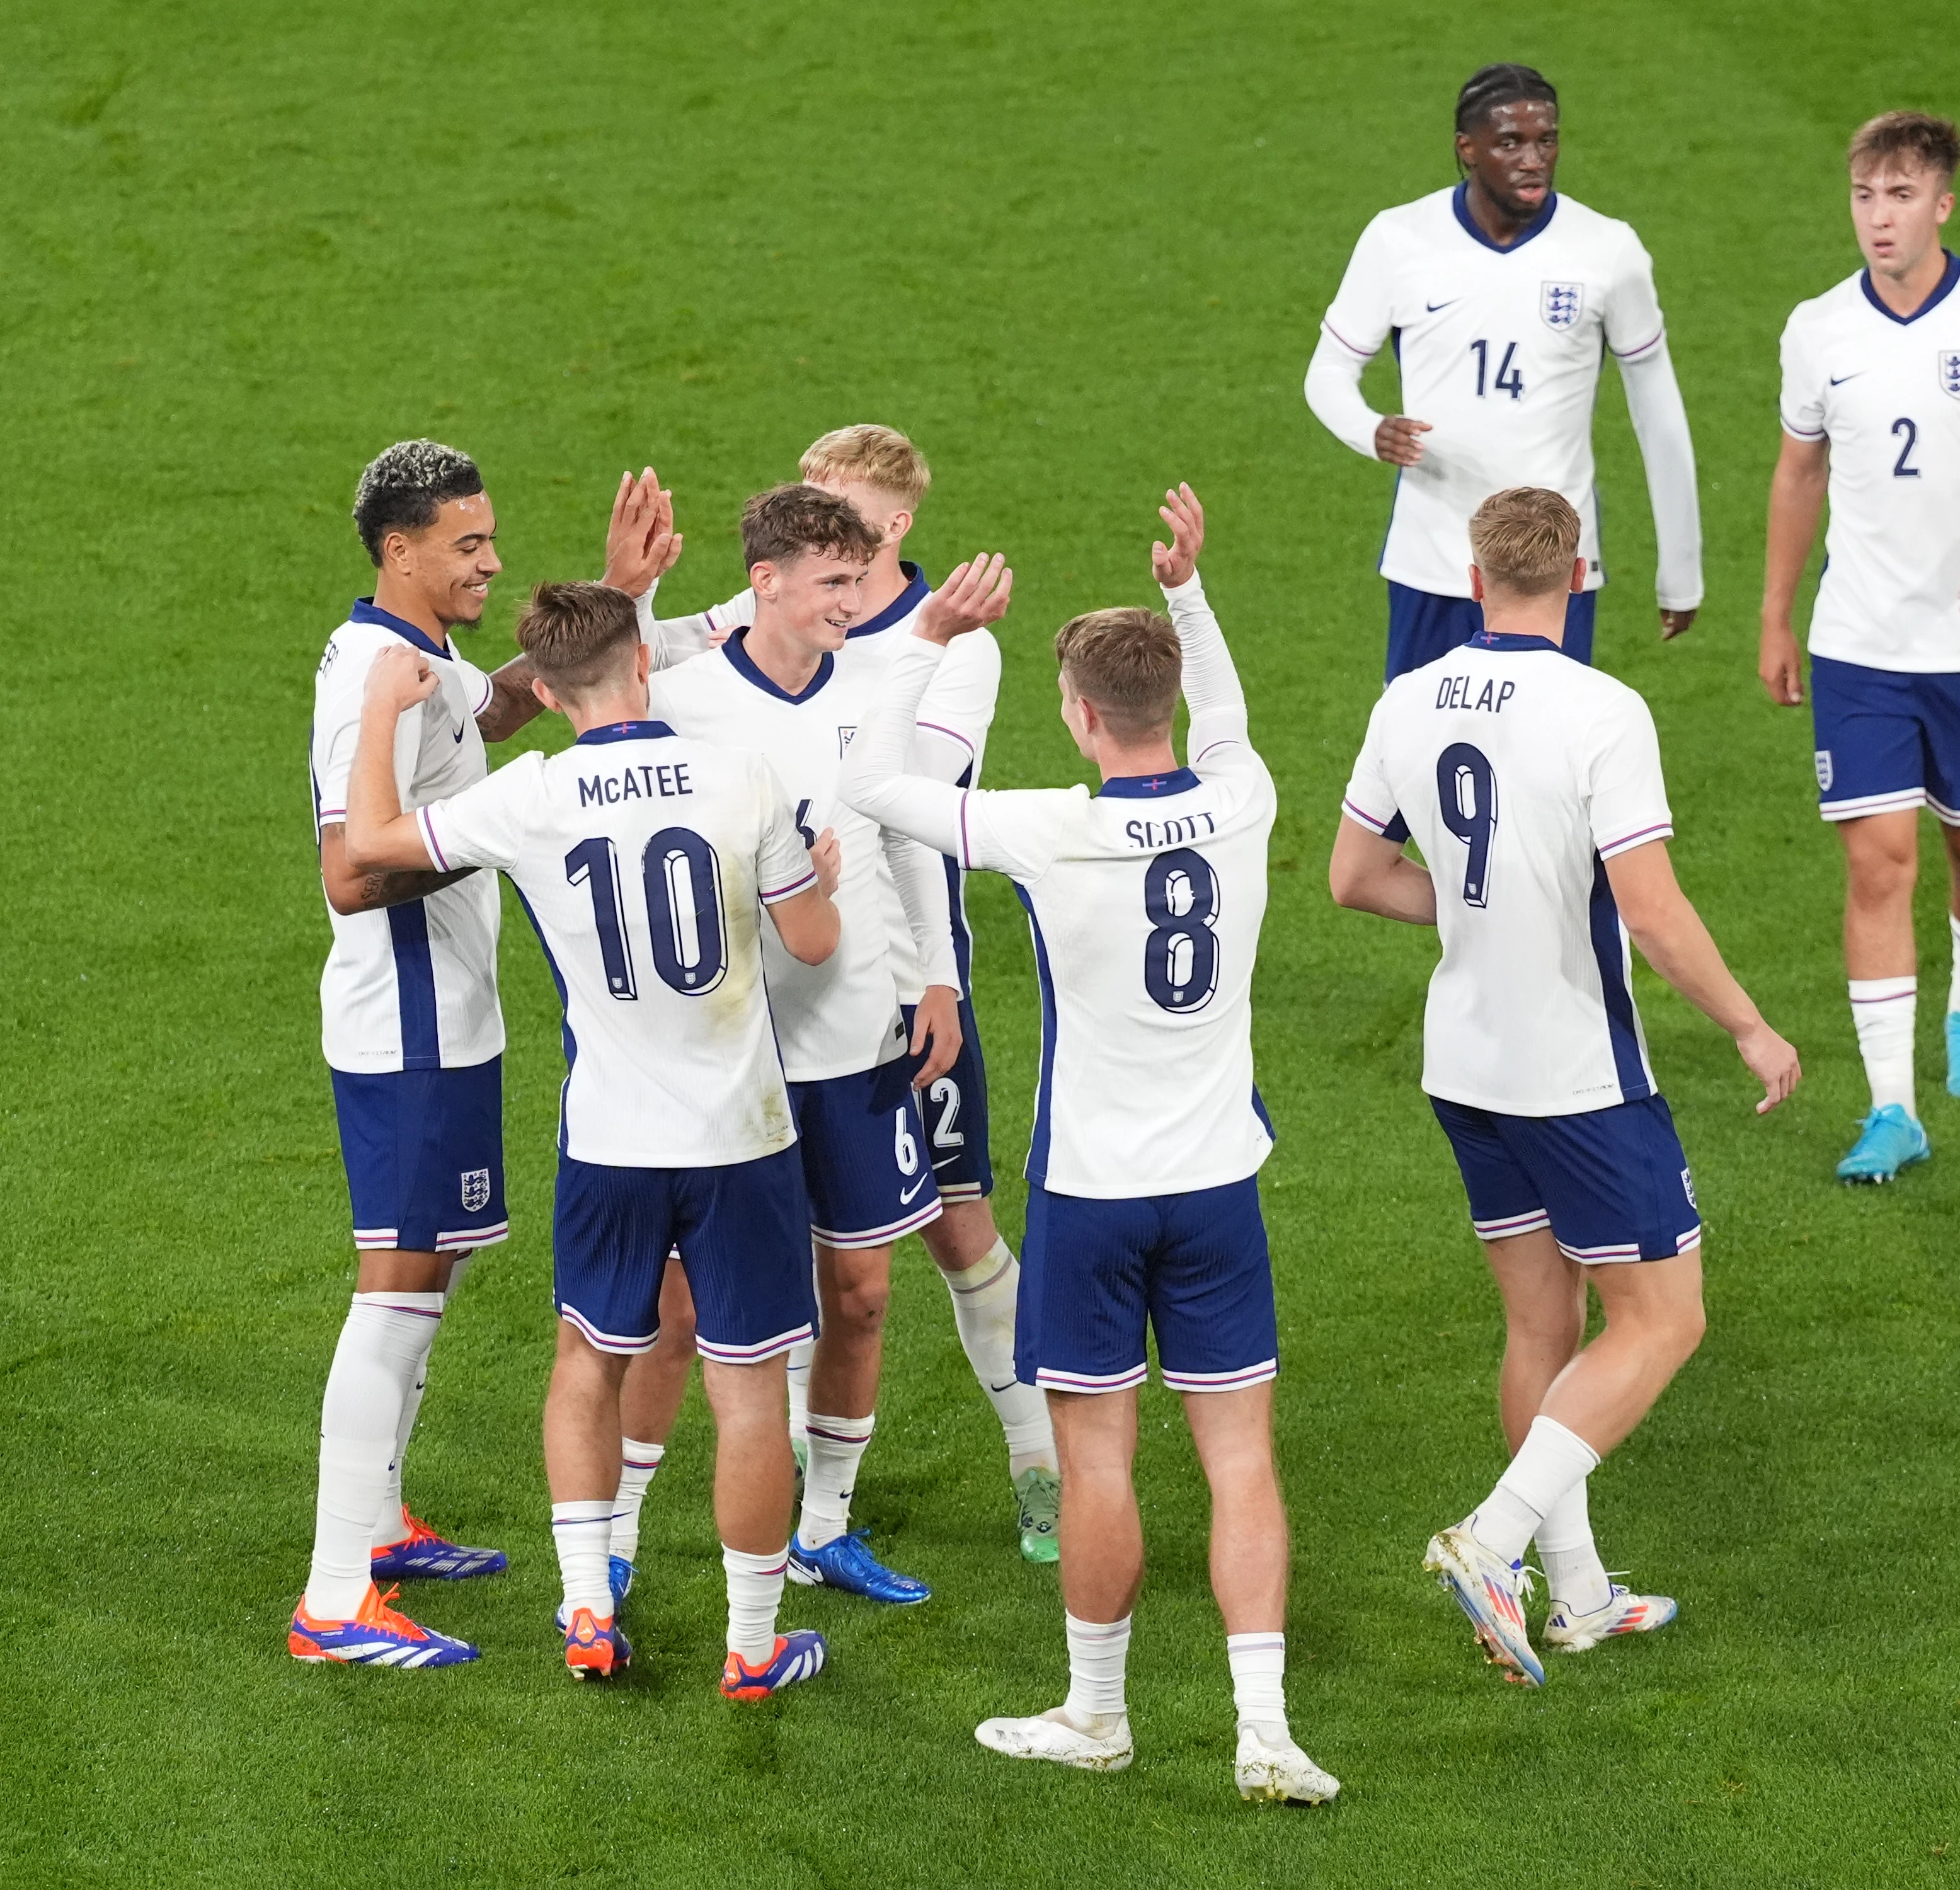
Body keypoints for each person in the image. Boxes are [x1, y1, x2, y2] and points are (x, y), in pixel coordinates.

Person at [842, 486, 1339, 1804]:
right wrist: (1187, 587)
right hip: (1218, 1185)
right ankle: (1265, 1728)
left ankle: (1098, 1713)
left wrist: (926, 639)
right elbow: (1227, 723)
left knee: (1098, 1457)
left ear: (1076, 715)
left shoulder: (1046, 829)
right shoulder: (1243, 801)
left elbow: (874, 786)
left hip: (1091, 1196)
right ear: (1164, 703)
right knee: (1241, 1458)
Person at [1329, 486, 1799, 1687]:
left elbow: (1353, 875)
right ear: (1578, 576)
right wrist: (1747, 1024)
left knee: (1545, 1323)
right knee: (1666, 1318)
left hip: (1466, 1064)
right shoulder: (1601, 709)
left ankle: (1578, 1595)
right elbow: (1647, 908)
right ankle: (1492, 1543)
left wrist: (1479, 912)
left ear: (1473, 574)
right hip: (1577, 1075)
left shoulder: (1406, 696)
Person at [336, 581, 840, 1698]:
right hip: (744, 1139)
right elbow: (813, 941)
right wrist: (812, 885)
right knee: (749, 1392)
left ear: (554, 695)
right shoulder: (740, 775)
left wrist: (381, 710)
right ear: (641, 668)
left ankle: (584, 1612)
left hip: (610, 1140)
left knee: (587, 1367)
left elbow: (367, 843)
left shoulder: (534, 794)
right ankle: (753, 1647)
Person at [619, 428, 1058, 1574]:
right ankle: (608, 1543)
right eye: (818, 538)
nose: (842, 572)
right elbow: (603, 684)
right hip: (733, 1039)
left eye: (852, 544)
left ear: (891, 535)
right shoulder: (718, 671)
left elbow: (912, 816)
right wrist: (641, 588)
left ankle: (890, 1508)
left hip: (881, 1016)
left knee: (888, 1274)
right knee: (688, 1302)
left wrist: (936, 977)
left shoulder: (911, 662)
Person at [287, 443, 673, 1668]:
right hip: (403, 1018)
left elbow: (492, 711)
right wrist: (505, 833)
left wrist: (615, 594)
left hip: (445, 1018)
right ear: (399, 549)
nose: (493, 560)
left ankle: (378, 1520)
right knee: (395, 1288)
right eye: (469, 544)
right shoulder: (372, 676)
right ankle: (334, 1597)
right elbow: (351, 875)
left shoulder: (427, 662)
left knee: (432, 1273)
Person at [1758, 112, 1960, 1184]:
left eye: (1900, 197)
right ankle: (1892, 1106)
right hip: (1860, 646)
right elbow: (1798, 474)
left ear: (1943, 203)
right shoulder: (1817, 329)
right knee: (1877, 861)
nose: (1878, 218)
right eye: (1864, 196)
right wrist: (1775, 615)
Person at [1305, 60, 1702, 679]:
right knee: (1415, 761)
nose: (1533, 158)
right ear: (1467, 150)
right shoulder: (1399, 241)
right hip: (1431, 560)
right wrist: (1368, 428)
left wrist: (1680, 572)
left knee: (1545, 767)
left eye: (1546, 140)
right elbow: (1328, 370)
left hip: (1554, 568)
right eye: (1510, 142)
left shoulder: (1606, 250)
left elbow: (1657, 412)